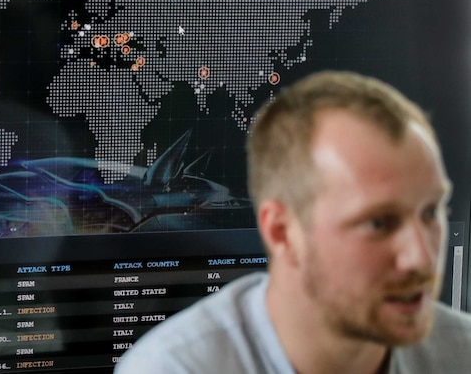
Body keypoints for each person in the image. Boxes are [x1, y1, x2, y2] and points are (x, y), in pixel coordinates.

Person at [113, 70, 471, 374]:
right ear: (282, 232)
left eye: (430, 212)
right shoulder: (175, 368)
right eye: (378, 223)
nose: (422, 258)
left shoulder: (461, 352)